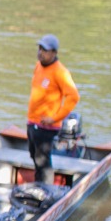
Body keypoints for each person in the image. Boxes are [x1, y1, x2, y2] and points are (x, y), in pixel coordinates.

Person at [26, 34, 79, 184]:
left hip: (46, 126)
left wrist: (55, 118)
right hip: (33, 122)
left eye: (45, 50)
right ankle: (38, 184)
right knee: (34, 156)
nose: (41, 52)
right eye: (40, 48)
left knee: (43, 160)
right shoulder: (38, 66)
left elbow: (73, 97)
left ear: (54, 53)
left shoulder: (60, 72)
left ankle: (46, 190)